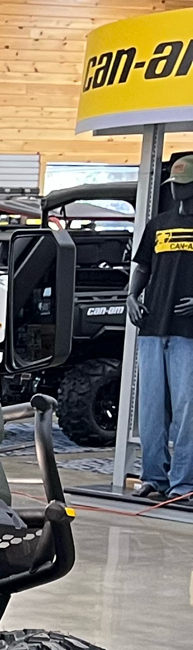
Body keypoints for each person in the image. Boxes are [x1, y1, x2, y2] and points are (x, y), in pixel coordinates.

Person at [129, 152, 193, 505]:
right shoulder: (158, 224)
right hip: (153, 323)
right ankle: (153, 475)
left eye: (185, 187)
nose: (179, 193)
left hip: (188, 330)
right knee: (151, 407)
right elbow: (142, 267)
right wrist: (131, 296)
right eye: (176, 187)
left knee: (187, 408)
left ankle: (184, 482)